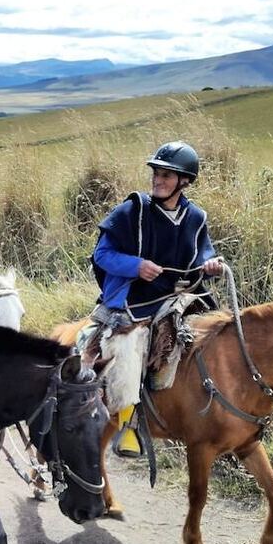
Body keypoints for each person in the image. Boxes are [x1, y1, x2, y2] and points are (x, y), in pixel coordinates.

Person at [85, 141, 223, 457]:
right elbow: (102, 254)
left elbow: (204, 250)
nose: (157, 179)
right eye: (156, 173)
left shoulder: (196, 217)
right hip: (134, 299)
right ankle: (129, 424)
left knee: (217, 335)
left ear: (184, 181)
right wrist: (136, 265)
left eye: (166, 175)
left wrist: (211, 262)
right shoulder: (131, 211)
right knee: (128, 345)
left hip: (181, 296)